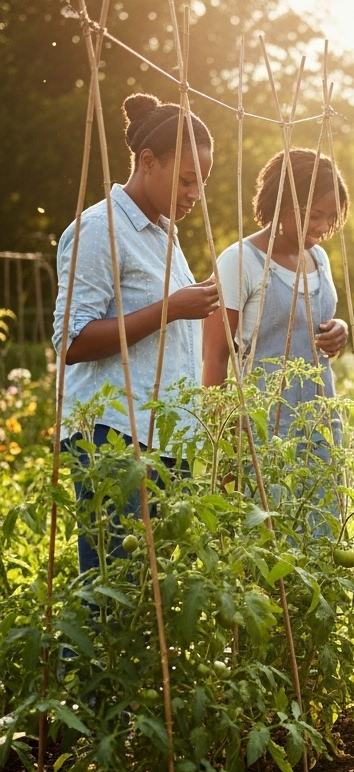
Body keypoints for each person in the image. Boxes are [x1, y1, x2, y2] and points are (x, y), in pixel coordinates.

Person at [54, 93, 218, 572]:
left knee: (156, 594)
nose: (195, 194)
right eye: (187, 179)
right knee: (115, 589)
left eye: (201, 183)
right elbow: (72, 341)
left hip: (167, 436)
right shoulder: (98, 230)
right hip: (116, 437)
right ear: (148, 162)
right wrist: (170, 309)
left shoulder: (163, 232)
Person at [203, 148, 349, 432]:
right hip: (262, 421)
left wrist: (338, 329)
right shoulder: (240, 260)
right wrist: (222, 434)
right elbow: (215, 356)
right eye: (314, 215)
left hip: (319, 419)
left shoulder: (319, 258)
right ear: (281, 203)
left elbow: (308, 330)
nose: (322, 226)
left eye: (331, 217)